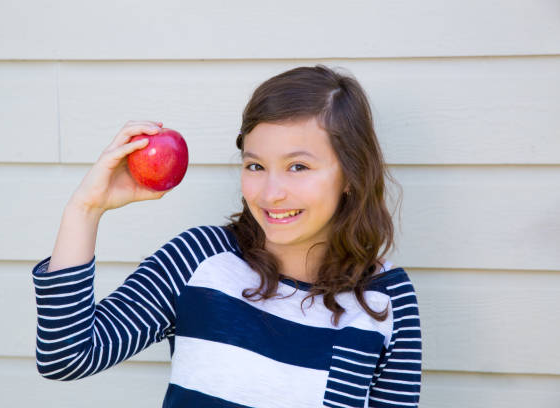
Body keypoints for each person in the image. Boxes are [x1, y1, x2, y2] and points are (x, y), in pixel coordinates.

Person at [32, 64, 422, 408]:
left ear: (351, 176)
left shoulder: (387, 299)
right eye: (255, 165)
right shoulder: (199, 259)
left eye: (298, 166)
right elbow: (66, 356)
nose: (271, 193)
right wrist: (85, 209)